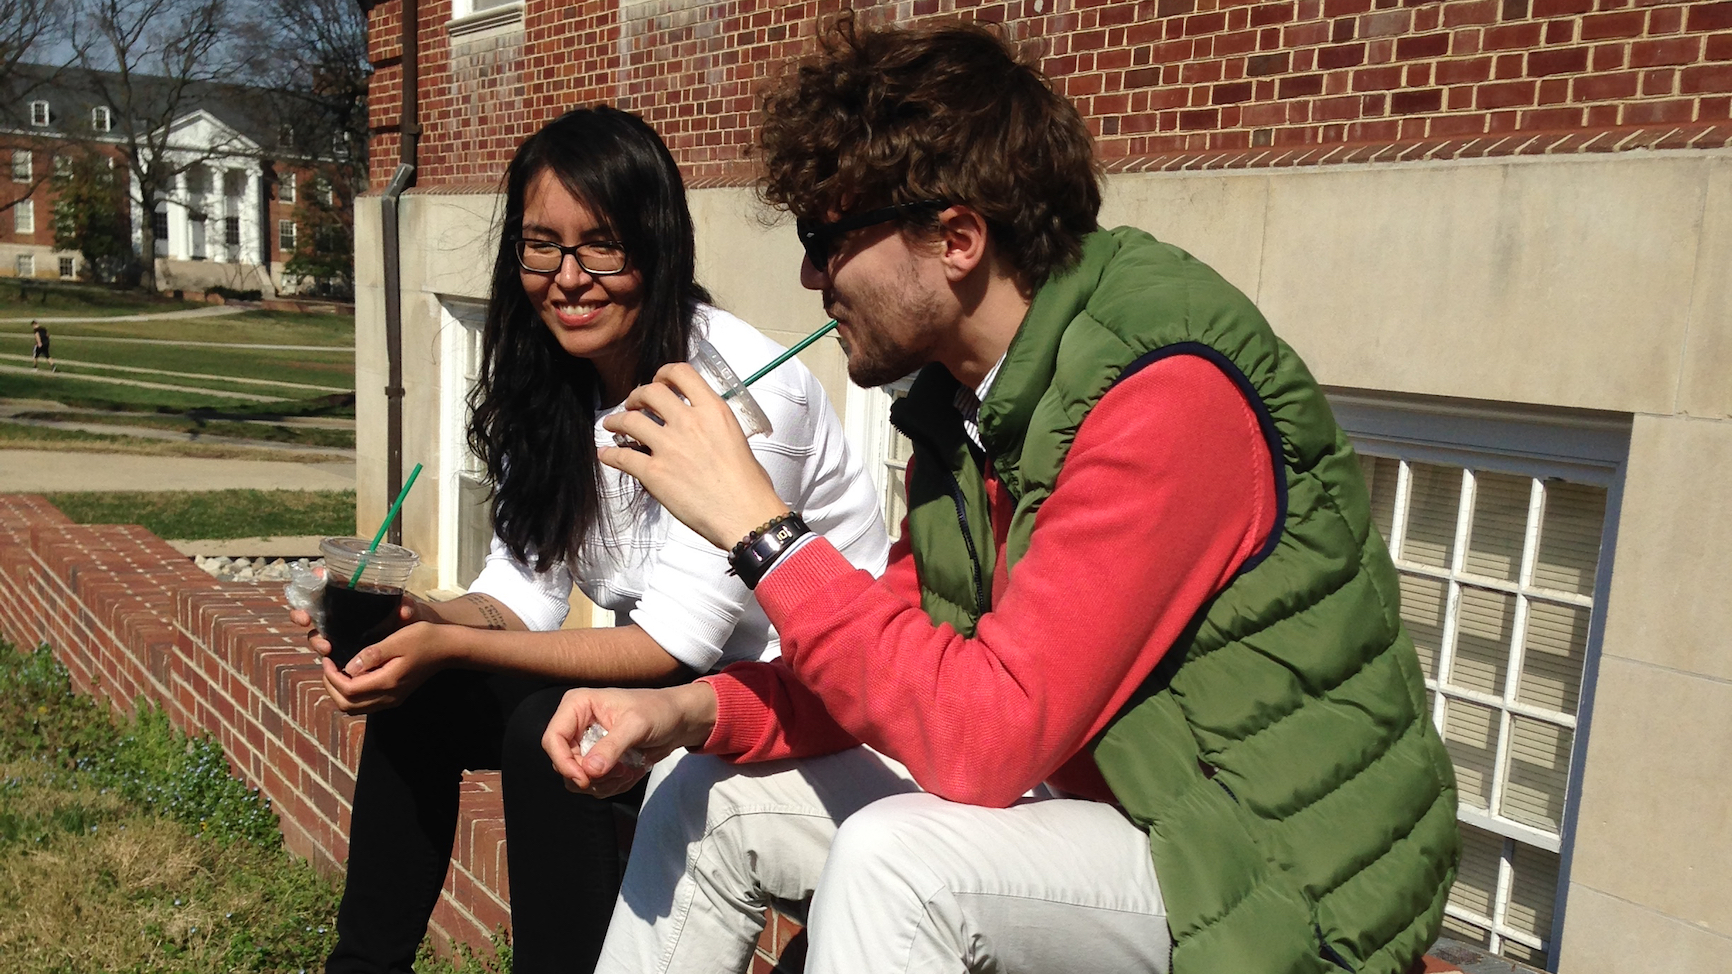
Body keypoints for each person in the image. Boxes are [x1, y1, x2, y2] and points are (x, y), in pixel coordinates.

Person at [543, 20, 1461, 974]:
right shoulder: (966, 410)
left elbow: (983, 735)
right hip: (1110, 801)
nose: (812, 275)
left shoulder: (1163, 395)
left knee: (901, 867)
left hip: (1270, 869)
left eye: (826, 239)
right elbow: (895, 669)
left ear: (957, 237)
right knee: (700, 796)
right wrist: (691, 715)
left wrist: (763, 534)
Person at [286, 106, 888, 974]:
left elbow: (675, 643)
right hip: (685, 680)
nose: (568, 278)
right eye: (542, 245)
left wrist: (449, 642)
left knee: (551, 732)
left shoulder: (742, 395)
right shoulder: (554, 385)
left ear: (657, 244)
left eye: (600, 244)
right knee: (419, 700)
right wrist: (422, 622)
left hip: (804, 706)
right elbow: (519, 598)